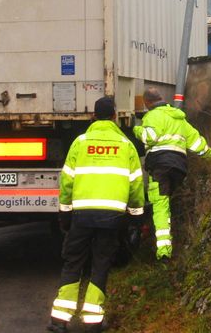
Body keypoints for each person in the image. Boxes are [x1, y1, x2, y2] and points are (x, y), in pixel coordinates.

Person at [48, 96, 144, 333]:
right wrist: (136, 216)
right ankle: (93, 323)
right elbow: (135, 185)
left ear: (93, 116)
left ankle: (59, 321)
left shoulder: (80, 143)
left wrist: (64, 214)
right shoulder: (126, 145)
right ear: (114, 116)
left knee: (73, 262)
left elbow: (67, 180)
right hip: (112, 218)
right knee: (101, 264)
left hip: (82, 215)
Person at [133, 87, 211, 260]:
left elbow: (149, 137)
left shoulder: (152, 116)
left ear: (148, 103)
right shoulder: (179, 118)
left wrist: (136, 129)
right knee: (171, 201)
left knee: (160, 206)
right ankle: (180, 235)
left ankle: (164, 252)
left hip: (160, 166)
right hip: (180, 168)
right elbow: (198, 143)